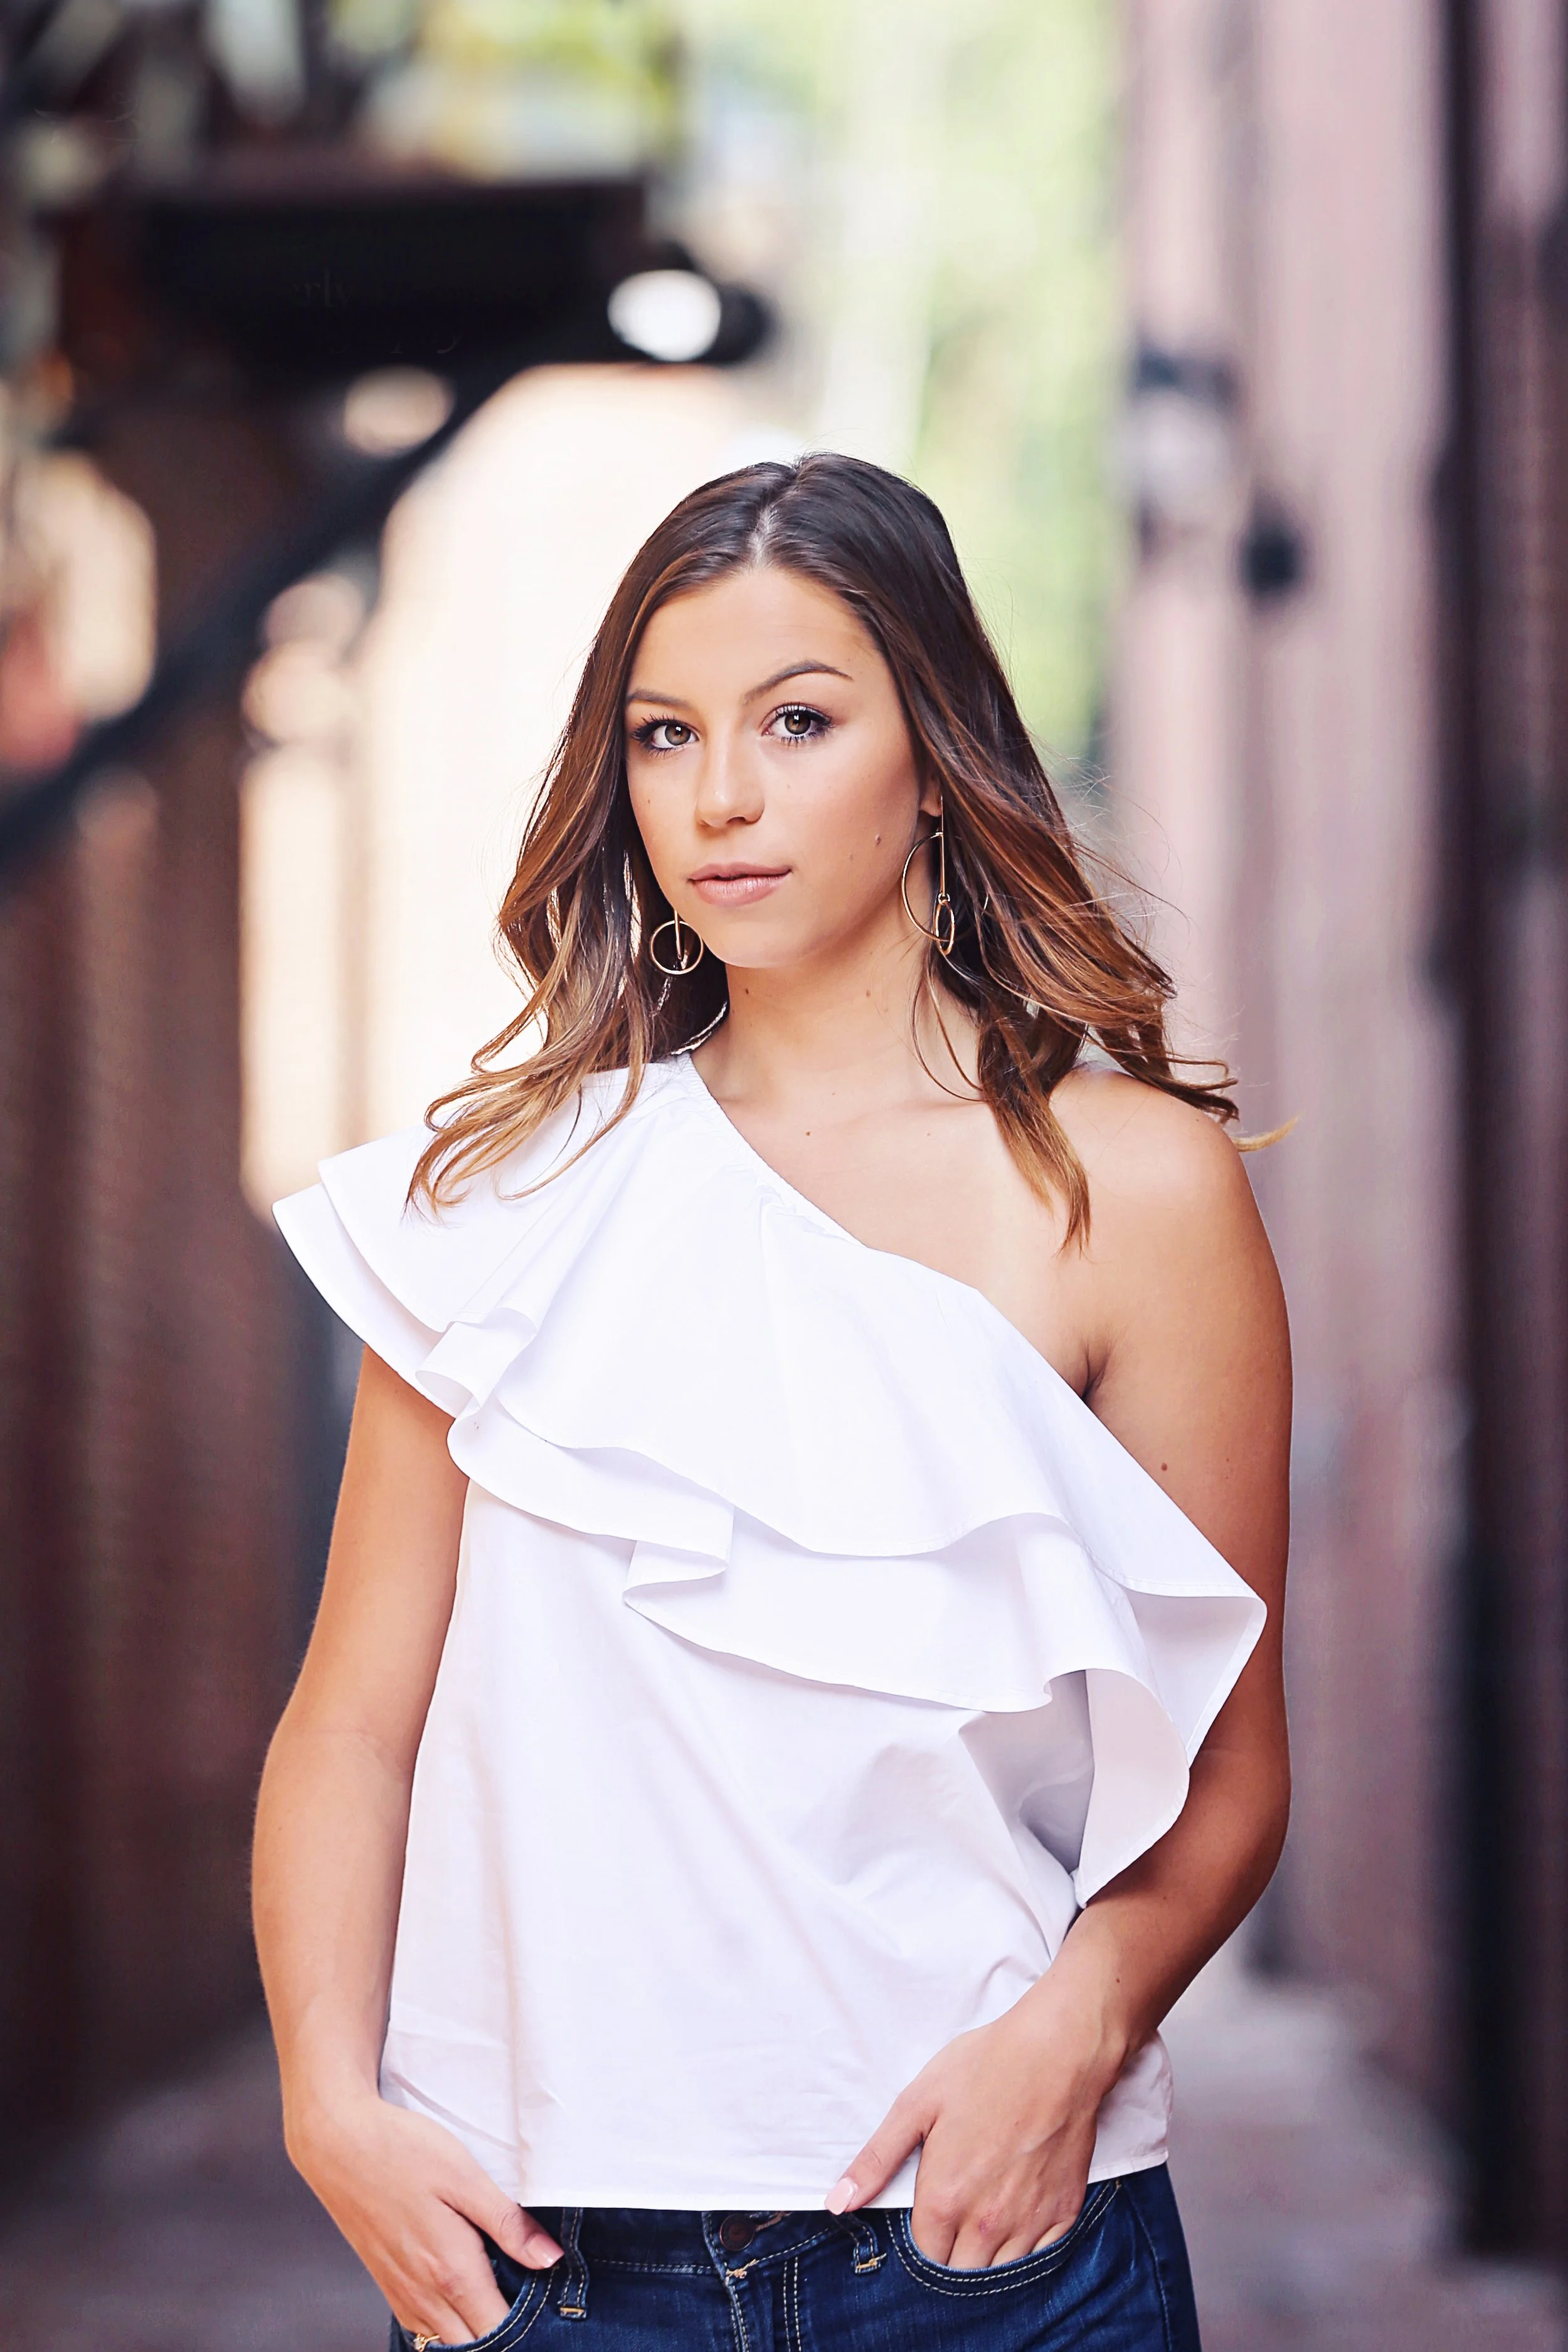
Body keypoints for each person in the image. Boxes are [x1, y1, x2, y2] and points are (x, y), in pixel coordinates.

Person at [252, 453, 1291, 2352]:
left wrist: (1070, 2033)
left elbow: (1225, 1777)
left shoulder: (1128, 1188)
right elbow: (352, 1728)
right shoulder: (492, 1205)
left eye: (796, 720)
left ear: (934, 746)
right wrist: (333, 2112)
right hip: (543, 2267)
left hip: (985, 2238)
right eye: (662, 734)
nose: (718, 795)